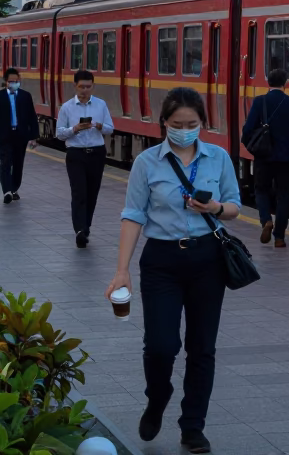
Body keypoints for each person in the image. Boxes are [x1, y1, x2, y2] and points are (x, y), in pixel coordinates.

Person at [106, 88, 241, 455]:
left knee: (202, 348)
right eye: (177, 124)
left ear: (203, 123)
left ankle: (193, 426)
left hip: (207, 261)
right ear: (164, 122)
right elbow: (133, 215)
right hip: (161, 262)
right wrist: (122, 271)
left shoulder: (219, 158)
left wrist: (214, 207)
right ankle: (158, 395)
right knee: (162, 346)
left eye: (192, 124)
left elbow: (234, 207)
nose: (184, 130)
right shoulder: (148, 162)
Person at [241, 68, 289, 248]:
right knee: (284, 195)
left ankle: (266, 221)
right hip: (286, 157)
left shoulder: (259, 102)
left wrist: (248, 144)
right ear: (285, 83)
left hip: (264, 156)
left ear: (268, 83)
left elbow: (248, 129)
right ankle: (279, 237)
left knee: (261, 190)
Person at [57, 69, 114, 247]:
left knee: (92, 192)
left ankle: (86, 226)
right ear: (75, 86)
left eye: (88, 87)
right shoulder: (66, 107)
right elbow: (59, 134)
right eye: (81, 87)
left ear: (93, 86)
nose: (85, 90)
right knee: (79, 192)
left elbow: (110, 128)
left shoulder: (101, 105)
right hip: (76, 154)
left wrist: (98, 125)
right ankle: (80, 230)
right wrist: (75, 129)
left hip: (96, 152)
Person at [0, 68, 39, 203]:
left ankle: (14, 188)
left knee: (18, 164)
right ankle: (7, 191)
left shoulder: (25, 96)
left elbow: (31, 117)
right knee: (5, 163)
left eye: (16, 81)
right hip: (4, 136)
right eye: (11, 81)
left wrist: (34, 136)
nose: (14, 83)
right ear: (6, 81)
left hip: (20, 135)